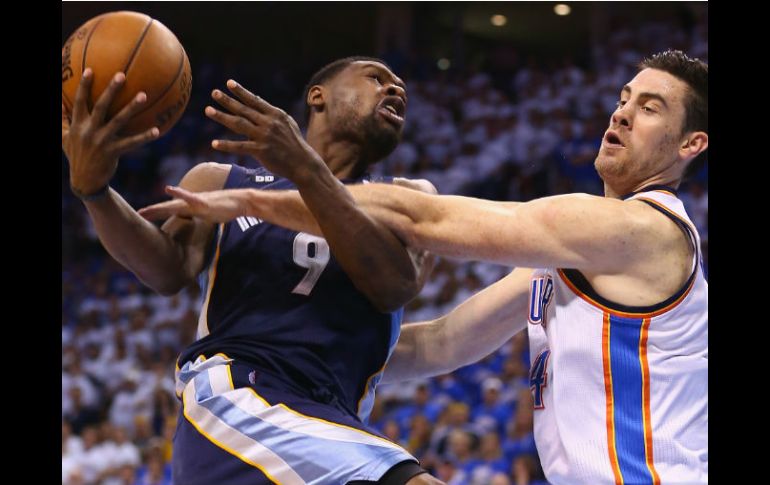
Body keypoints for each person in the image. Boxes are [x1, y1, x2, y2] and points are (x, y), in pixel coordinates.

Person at [141, 49, 708, 484]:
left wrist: (255, 198)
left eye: (650, 108)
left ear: (690, 145)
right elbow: (439, 344)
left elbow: (424, 217)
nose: (624, 113)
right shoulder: (569, 262)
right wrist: (307, 339)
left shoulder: (640, 229)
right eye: (626, 97)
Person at [63, 56, 447, 484]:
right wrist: (95, 193)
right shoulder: (222, 183)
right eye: (376, 78)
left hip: (332, 421)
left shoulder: (408, 198)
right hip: (238, 394)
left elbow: (393, 286)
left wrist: (306, 170)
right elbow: (165, 269)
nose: (395, 90)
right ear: (317, 97)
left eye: (400, 88)